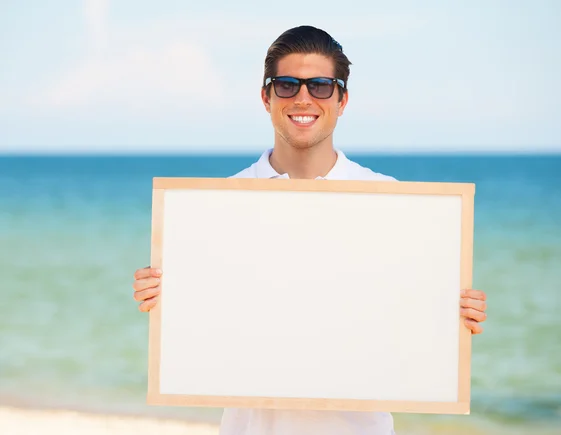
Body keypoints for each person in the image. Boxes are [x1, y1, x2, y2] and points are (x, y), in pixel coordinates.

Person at [132, 25, 488, 435]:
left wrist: (453, 312)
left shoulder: (390, 202)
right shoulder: (219, 208)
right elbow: (205, 329)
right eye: (287, 85)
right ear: (266, 97)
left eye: (320, 86)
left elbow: (409, 325)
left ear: (342, 100)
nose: (303, 98)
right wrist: (163, 295)